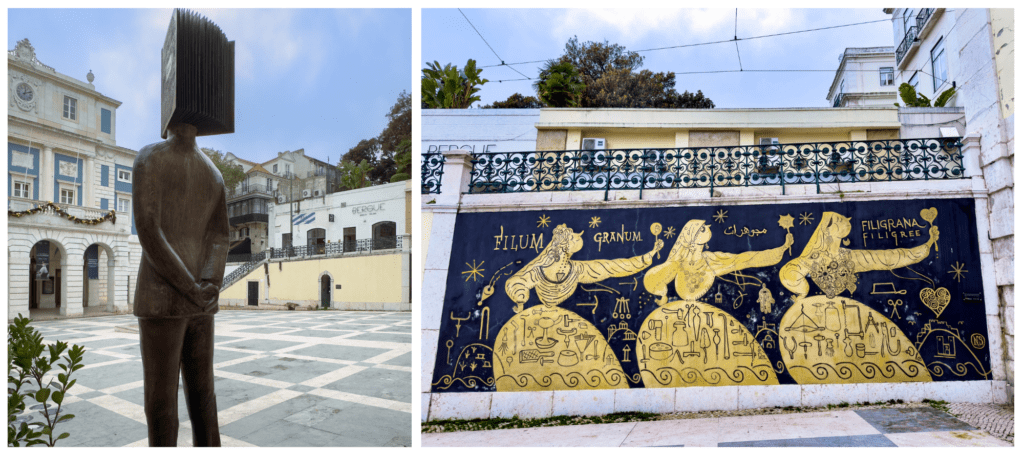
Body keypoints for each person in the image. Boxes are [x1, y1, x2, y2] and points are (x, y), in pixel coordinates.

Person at [133, 122, 228, 446]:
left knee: (161, 403)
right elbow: (220, 237)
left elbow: (148, 231)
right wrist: (209, 283)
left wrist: (191, 288)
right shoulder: (213, 173)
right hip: (202, 300)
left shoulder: (149, 157)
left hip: (162, 297)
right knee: (204, 396)